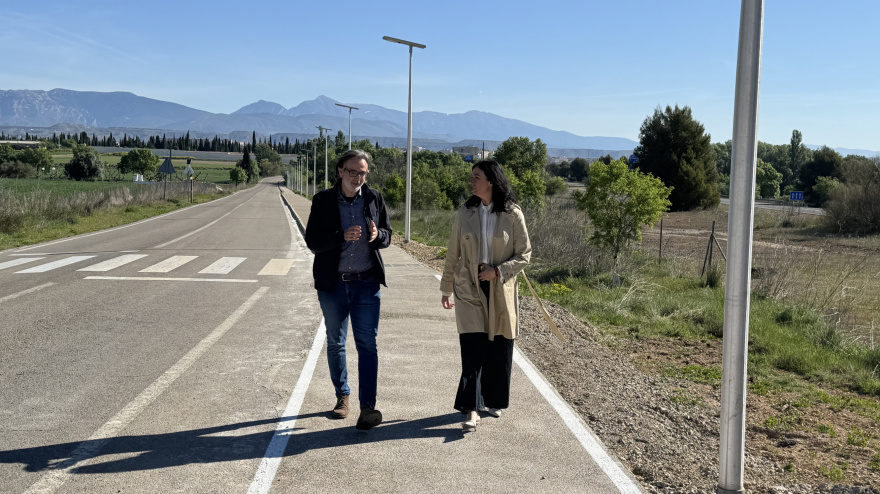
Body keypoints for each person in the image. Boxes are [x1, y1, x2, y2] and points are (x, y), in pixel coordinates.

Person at [440, 160, 531, 431]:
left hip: (499, 288)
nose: (472, 181)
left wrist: (498, 271)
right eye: (472, 177)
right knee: (472, 348)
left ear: (491, 180)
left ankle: (494, 400)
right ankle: (471, 409)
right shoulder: (465, 213)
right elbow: (453, 253)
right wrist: (446, 287)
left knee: (499, 346)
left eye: (476, 177)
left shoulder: (513, 214)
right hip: (468, 288)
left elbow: (524, 254)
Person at [305, 149, 392, 431]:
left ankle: (368, 407)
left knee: (368, 345)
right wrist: (340, 237)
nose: (358, 177)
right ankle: (343, 396)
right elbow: (313, 241)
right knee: (336, 342)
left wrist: (379, 236)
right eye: (353, 171)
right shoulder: (323, 201)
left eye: (363, 172)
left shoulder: (373, 197)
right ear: (340, 171)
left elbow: (388, 234)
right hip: (333, 285)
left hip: (366, 283)